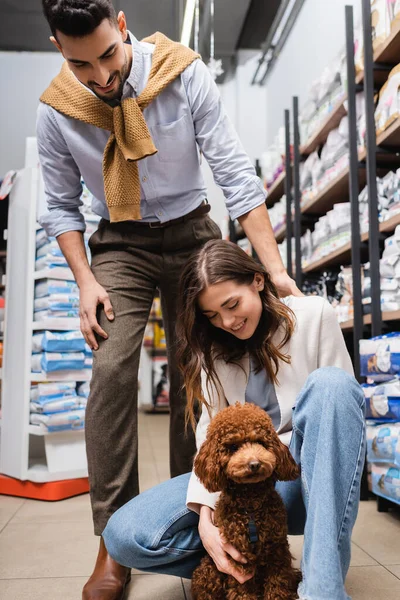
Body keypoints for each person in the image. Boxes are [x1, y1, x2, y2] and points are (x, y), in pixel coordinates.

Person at [37, 2, 300, 598]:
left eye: (108, 54)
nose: (102, 76)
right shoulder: (58, 110)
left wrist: (274, 269)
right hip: (119, 242)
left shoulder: (182, 73)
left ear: (122, 26)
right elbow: (60, 205)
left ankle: (197, 514)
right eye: (82, 63)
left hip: (191, 230)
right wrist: (84, 280)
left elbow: (233, 171)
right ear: (59, 49)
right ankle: (111, 546)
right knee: (108, 368)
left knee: (198, 369)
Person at [103, 240, 366, 600]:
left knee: (332, 385)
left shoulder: (315, 315)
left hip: (307, 477)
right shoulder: (212, 347)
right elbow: (208, 433)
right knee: (124, 535)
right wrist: (206, 516)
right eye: (212, 315)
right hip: (240, 487)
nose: (227, 322)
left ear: (257, 280)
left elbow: (340, 415)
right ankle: (249, 565)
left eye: (232, 304)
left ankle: (322, 589)